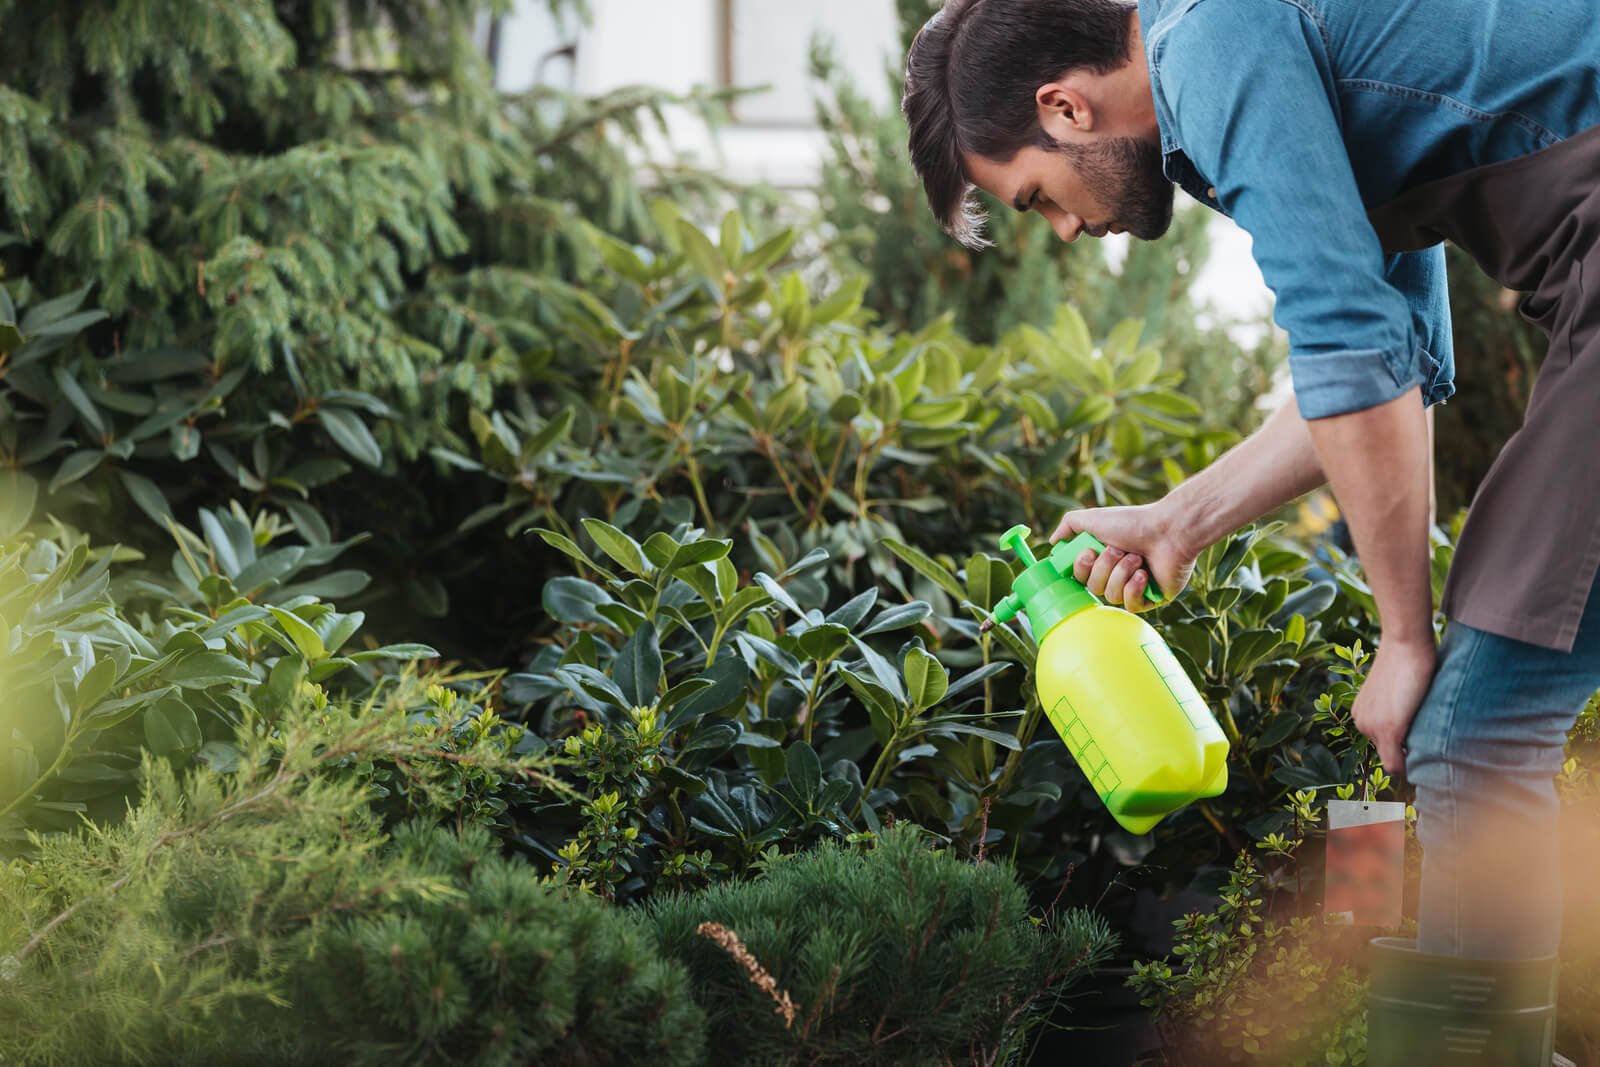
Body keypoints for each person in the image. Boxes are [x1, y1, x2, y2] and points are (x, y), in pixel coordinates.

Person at [902, 0, 1600, 1061]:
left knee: (1476, 733)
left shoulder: (1210, 44)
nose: (1067, 232)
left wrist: (1403, 640)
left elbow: (1356, 354)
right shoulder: (1243, 39)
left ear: (1065, 106)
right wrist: (1180, 521)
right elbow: (1394, 363)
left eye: (1038, 197)